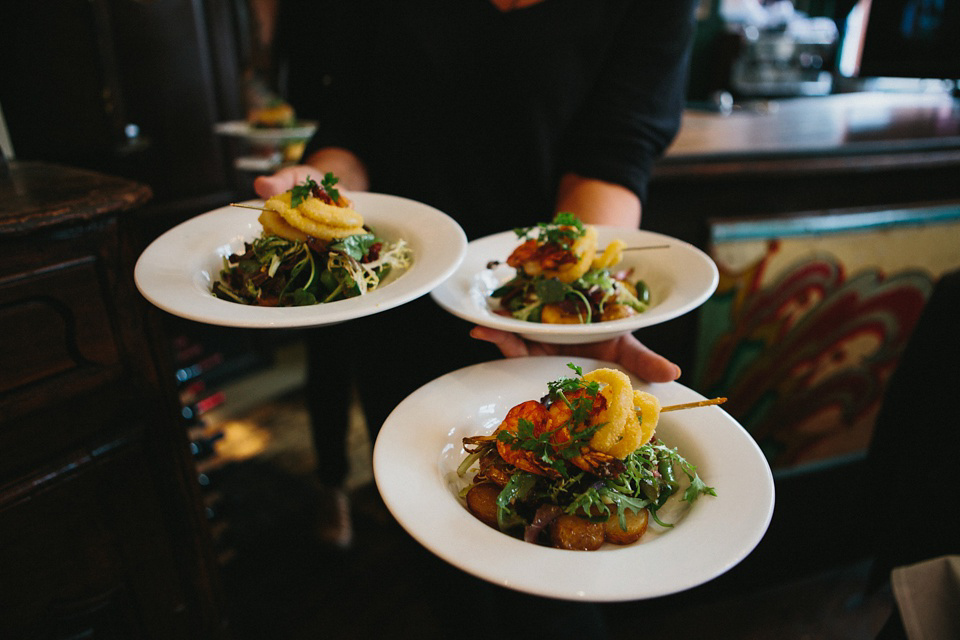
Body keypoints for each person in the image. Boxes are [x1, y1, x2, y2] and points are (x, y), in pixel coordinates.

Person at [257, 0, 698, 547]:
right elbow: (350, 123)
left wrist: (572, 315)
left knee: (549, 589)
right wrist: (321, 188)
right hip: (398, 302)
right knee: (425, 525)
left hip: (529, 321)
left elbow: (614, 151)